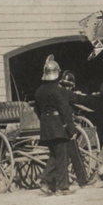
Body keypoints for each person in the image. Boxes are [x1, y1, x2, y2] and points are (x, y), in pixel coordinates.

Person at [34, 55, 78, 196]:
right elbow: (65, 110)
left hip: (46, 127)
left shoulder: (39, 91)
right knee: (62, 156)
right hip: (58, 126)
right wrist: (71, 129)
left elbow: (37, 110)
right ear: (57, 73)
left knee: (55, 155)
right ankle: (61, 187)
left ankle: (46, 183)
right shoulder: (59, 90)